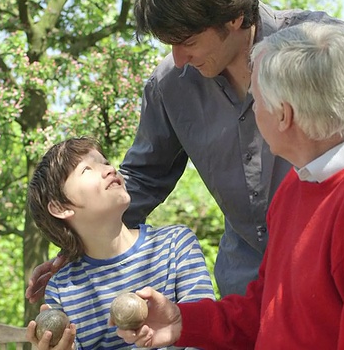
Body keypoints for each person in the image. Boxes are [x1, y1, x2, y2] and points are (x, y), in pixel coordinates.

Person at [26, 0, 344, 300]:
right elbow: (142, 179)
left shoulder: (313, 43)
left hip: (334, 274)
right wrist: (80, 244)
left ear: (236, 16)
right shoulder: (169, 85)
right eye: (168, 43)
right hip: (247, 291)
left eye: (186, 39)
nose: (179, 58)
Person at [115, 22, 344, 349]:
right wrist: (182, 322)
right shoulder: (297, 186)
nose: (251, 111)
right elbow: (267, 311)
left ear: (283, 115)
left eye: (255, 100)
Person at [25, 137, 215, 350]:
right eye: (87, 169)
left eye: (105, 162)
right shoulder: (61, 289)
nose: (109, 169)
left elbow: (204, 337)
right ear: (60, 207)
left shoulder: (176, 245)